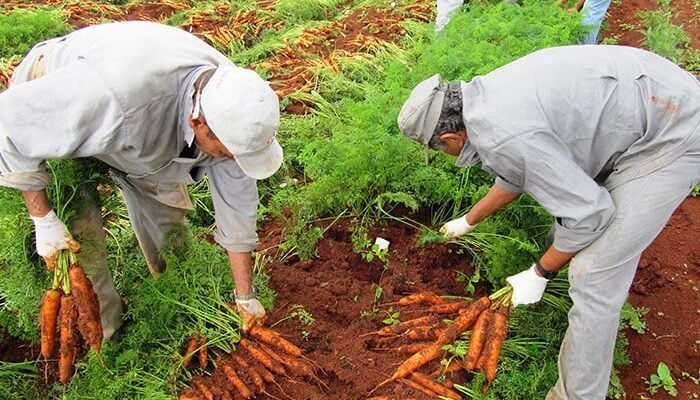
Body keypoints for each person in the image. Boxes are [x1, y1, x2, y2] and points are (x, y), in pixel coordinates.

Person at [397, 45, 700, 399]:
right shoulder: (484, 100)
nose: (446, 157)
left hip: (672, 130)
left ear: (449, 138)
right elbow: (520, 171)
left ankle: (577, 395)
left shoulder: (504, 135)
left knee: (593, 274)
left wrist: (539, 273)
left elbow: (590, 214)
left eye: (440, 151)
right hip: (652, 90)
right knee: (567, 230)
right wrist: (468, 220)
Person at [0, 21, 283, 338]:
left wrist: (245, 296)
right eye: (228, 152)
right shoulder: (110, 97)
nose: (232, 159)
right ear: (198, 121)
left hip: (143, 133)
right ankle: (110, 336)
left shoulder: (234, 102)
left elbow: (237, 208)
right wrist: (44, 219)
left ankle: (175, 301)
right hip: (58, 103)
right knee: (82, 245)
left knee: (170, 234)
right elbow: (7, 124)